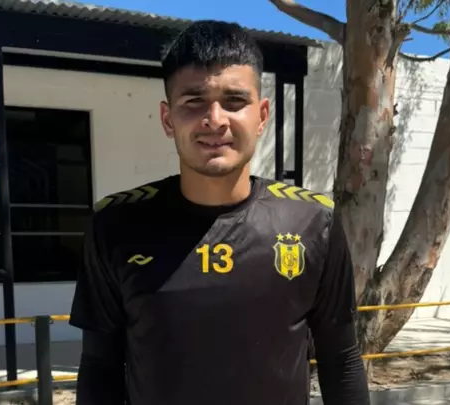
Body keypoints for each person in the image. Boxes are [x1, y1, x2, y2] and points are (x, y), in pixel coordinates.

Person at [69, 19, 370, 405]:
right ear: (167, 119)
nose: (215, 119)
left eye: (234, 101)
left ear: (262, 116)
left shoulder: (312, 222)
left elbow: (340, 359)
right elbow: (100, 366)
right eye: (193, 102)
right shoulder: (116, 226)